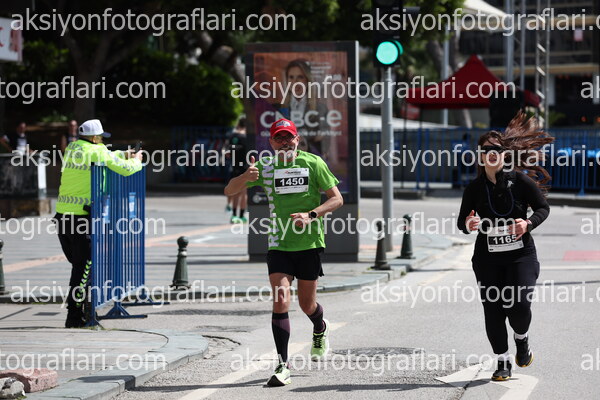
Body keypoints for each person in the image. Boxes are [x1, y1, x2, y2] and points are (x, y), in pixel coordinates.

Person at [224, 118, 343, 386]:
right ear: (271, 142)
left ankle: (320, 326)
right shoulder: (265, 166)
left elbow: (337, 198)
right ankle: (283, 364)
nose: (285, 142)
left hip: (309, 244)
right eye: (279, 138)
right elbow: (229, 190)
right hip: (279, 243)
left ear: (297, 140)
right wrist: (244, 177)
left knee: (307, 305)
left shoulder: (313, 163)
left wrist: (311, 215)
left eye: (289, 137)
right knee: (280, 300)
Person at [457, 112, 554, 381]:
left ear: (504, 154)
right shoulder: (474, 189)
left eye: (496, 150)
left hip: (520, 255)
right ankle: (502, 361)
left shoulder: (520, 182)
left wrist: (528, 223)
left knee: (519, 306)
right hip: (487, 258)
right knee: (493, 311)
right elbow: (462, 222)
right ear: (480, 156)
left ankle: (521, 339)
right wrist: (468, 223)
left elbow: (543, 208)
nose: (492, 154)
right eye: (486, 150)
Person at [54, 119, 143, 328]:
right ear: (94, 138)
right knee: (83, 269)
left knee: (80, 267)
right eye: (101, 137)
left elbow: (106, 155)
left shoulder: (73, 148)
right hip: (82, 218)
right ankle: (74, 316)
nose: (102, 140)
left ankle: (84, 310)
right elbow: (124, 169)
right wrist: (137, 160)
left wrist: (123, 153)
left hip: (63, 216)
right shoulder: (97, 151)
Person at [224, 117, 248, 223]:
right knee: (244, 193)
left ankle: (234, 216)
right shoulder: (247, 137)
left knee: (236, 192)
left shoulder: (232, 136)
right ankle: (241, 216)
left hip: (235, 167)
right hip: (245, 167)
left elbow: (227, 153)